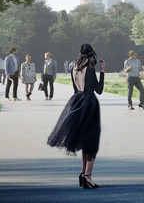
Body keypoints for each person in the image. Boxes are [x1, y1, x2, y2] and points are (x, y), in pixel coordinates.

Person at [45, 42, 105, 190]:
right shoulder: (90, 70)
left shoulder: (74, 68)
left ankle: (83, 175)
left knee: (85, 141)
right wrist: (102, 71)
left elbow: (75, 89)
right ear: (92, 55)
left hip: (77, 101)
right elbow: (99, 90)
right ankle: (88, 176)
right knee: (91, 142)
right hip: (89, 104)